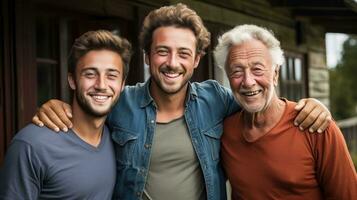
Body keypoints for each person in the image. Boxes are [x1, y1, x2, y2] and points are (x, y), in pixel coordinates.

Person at [32, 4, 331, 200]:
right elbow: (88, 109)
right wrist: (57, 106)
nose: (172, 63)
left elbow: (260, 101)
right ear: (148, 56)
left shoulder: (217, 99)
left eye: (183, 53)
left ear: (197, 60)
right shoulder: (119, 102)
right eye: (162, 51)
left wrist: (308, 106)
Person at [214, 24, 357, 199]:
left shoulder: (316, 127)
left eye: (257, 69)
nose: (248, 81)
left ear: (275, 74)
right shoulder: (224, 132)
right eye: (237, 71)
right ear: (228, 77)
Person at [0, 30, 131, 199]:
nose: (101, 85)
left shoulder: (118, 138)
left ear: (122, 85)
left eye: (111, 75)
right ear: (72, 80)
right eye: (90, 74)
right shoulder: (32, 145)